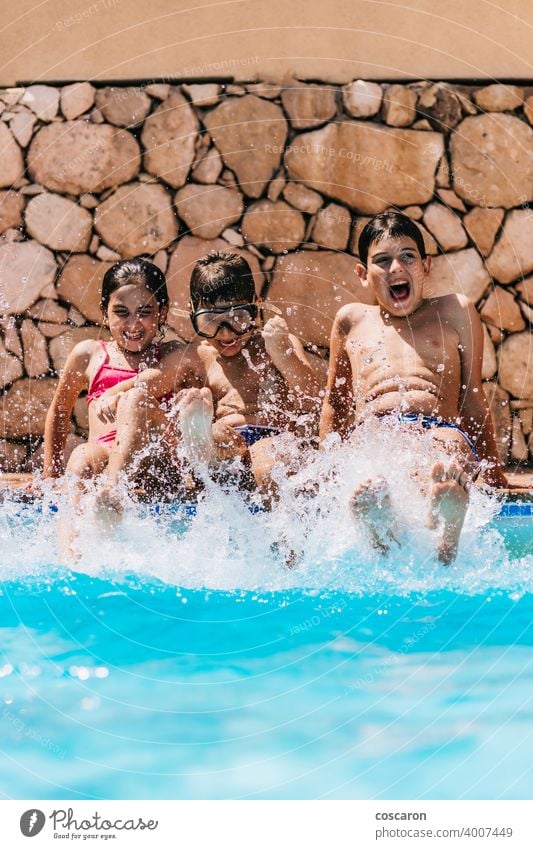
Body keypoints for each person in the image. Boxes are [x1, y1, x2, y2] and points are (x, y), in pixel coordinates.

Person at [319, 211, 507, 564]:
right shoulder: (351, 320)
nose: (395, 268)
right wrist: (324, 469)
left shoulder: (455, 312)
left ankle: (440, 525)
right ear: (363, 274)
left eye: (408, 256)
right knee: (371, 474)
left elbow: (472, 397)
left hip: (440, 432)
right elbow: (336, 403)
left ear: (425, 266)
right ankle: (413, 523)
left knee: (443, 457)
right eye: (382, 260)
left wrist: (493, 469)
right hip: (374, 435)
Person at [42, 257, 213, 504]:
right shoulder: (89, 355)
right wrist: (51, 473)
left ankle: (113, 492)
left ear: (162, 313)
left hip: (158, 461)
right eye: (121, 312)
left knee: (137, 401)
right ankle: (70, 541)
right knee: (80, 457)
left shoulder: (174, 356)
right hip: (104, 454)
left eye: (144, 312)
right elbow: (59, 411)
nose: (133, 324)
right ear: (104, 312)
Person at [186, 251, 327, 493]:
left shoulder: (275, 344)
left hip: (273, 439)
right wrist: (118, 391)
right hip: (227, 445)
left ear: (256, 306)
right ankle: (199, 442)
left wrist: (283, 354)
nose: (226, 333)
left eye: (237, 318)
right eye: (211, 320)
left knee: (266, 457)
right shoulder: (199, 357)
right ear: (193, 313)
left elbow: (315, 398)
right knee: (218, 436)